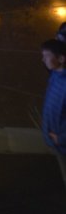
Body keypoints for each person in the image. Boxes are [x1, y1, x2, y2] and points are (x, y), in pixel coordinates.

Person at [40, 38, 66, 191]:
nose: (43, 59)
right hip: (57, 142)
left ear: (61, 59)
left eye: (47, 55)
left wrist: (61, 138)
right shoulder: (54, 76)